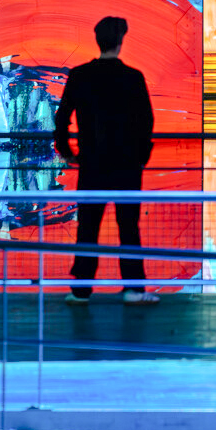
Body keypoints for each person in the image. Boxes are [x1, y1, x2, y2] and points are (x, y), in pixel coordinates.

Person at [53, 16, 158, 306]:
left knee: (88, 226)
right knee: (128, 227)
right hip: (126, 166)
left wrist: (67, 150)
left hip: (92, 163)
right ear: (121, 41)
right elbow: (146, 121)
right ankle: (134, 289)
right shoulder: (133, 78)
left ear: (97, 40)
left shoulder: (80, 75)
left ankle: (82, 289)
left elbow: (62, 117)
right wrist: (140, 157)